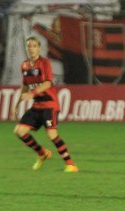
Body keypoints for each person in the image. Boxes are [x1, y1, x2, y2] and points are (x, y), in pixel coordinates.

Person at [13, 36, 78, 173]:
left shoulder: (44, 62)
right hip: (37, 106)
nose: (31, 48)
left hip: (49, 104)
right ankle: (42, 153)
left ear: (39, 48)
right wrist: (17, 105)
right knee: (19, 131)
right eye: (29, 46)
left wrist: (32, 93)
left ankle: (70, 164)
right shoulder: (24, 65)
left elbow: (48, 83)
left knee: (52, 134)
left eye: (34, 46)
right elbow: (25, 86)